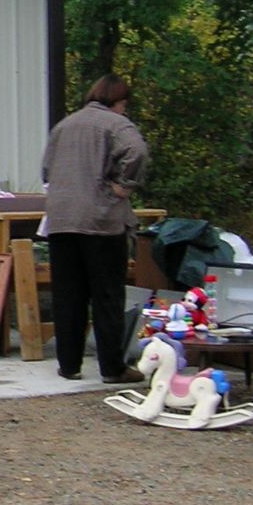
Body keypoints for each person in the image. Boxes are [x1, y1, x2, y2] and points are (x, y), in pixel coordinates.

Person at [41, 74, 150, 383]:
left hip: (61, 219)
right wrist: (124, 185)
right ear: (117, 102)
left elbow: (47, 170)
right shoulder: (117, 125)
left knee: (68, 294)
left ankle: (69, 364)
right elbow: (138, 151)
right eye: (124, 103)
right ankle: (112, 368)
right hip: (101, 220)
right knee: (106, 295)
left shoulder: (63, 127)